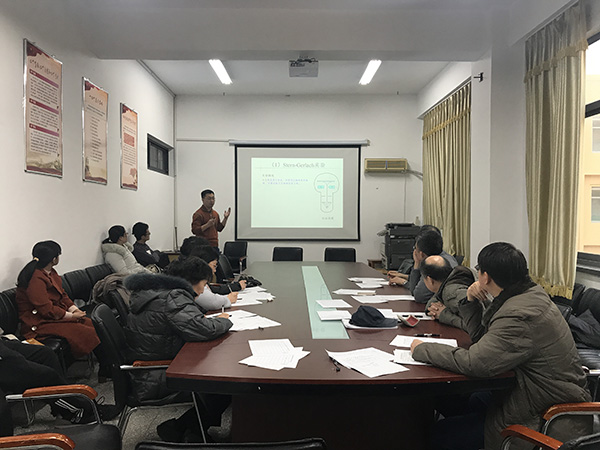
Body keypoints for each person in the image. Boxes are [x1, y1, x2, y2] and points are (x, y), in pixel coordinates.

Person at [411, 242, 591, 450]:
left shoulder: (519, 314)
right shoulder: (527, 295)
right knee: (451, 400)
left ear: (485, 277)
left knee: (439, 434)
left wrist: (423, 349)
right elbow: (483, 340)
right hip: (526, 394)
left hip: (541, 416)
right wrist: (470, 300)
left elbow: (475, 363)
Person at [124, 256, 232, 442]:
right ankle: (190, 431)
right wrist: (225, 321)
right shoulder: (172, 297)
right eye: (204, 284)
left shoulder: (156, 291)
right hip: (155, 374)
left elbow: (189, 323)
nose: (203, 290)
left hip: (149, 366)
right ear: (191, 281)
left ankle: (181, 428)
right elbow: (204, 330)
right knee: (224, 385)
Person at [15, 241, 100, 359]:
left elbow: (62, 295)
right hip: (39, 323)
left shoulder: (50, 273)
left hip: (53, 317)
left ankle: (107, 363)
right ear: (54, 259)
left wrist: (74, 310)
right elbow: (46, 309)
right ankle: (106, 365)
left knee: (93, 324)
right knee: (84, 331)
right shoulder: (35, 279)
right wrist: (72, 316)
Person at [392, 228, 457, 303]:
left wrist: (417, 263)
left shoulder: (433, 265)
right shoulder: (447, 257)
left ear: (421, 254)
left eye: (415, 248)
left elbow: (419, 295)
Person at [422, 255, 475, 329]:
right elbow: (435, 300)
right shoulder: (454, 277)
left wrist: (444, 315)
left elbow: (474, 327)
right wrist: (432, 308)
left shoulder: (452, 293)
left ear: (430, 280)